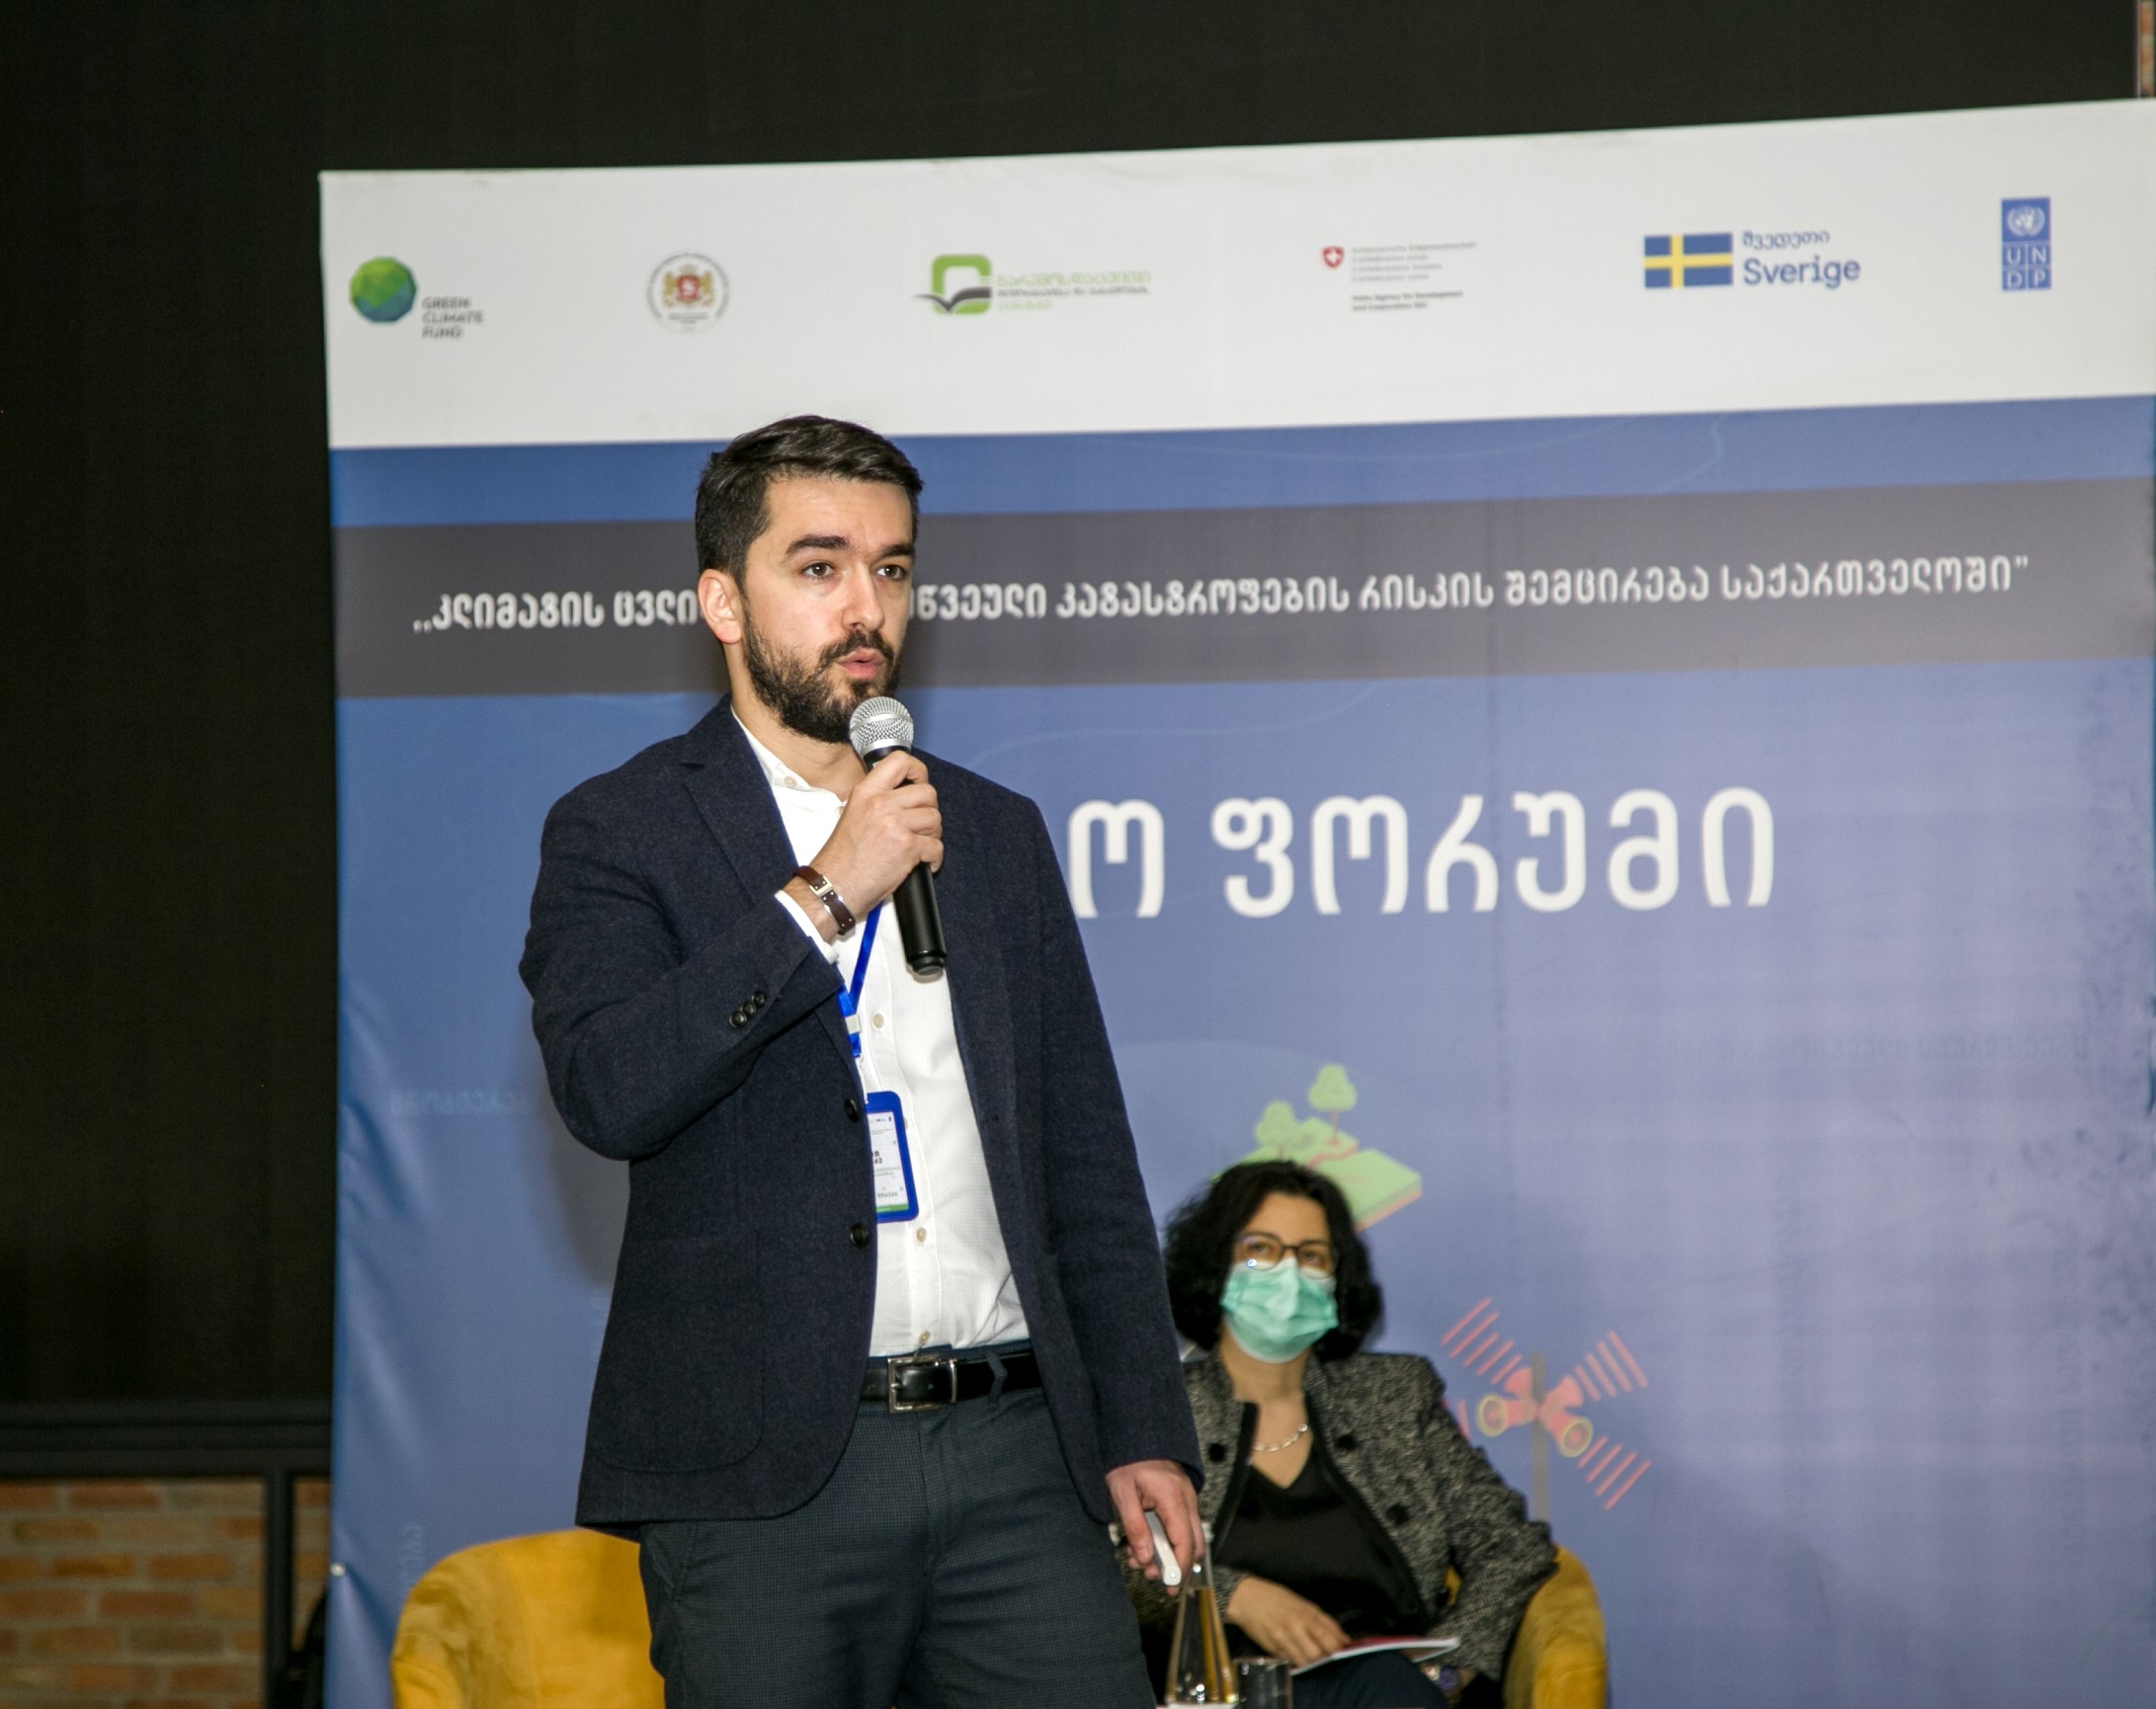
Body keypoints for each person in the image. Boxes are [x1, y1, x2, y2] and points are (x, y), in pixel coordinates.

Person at [519, 415, 1202, 1709]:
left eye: (891, 568)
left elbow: (1084, 1159)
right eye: (819, 566)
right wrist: (827, 892)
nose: (866, 606)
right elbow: (610, 1087)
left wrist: (1140, 1428)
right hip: (769, 1478)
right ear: (723, 601)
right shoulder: (621, 829)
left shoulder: (991, 833)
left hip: (1019, 1456)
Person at [1123, 1161, 1556, 1708]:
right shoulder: (1158, 1410)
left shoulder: (1396, 1395)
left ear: (1336, 1279)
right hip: (1225, 1692)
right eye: (1261, 1249)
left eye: (1311, 1256)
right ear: (1215, 1264)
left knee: (1382, 1683)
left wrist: (1451, 1668)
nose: (1288, 1272)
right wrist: (1238, 1597)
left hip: (1388, 1690)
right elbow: (1116, 1565)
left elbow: (1510, 1545)